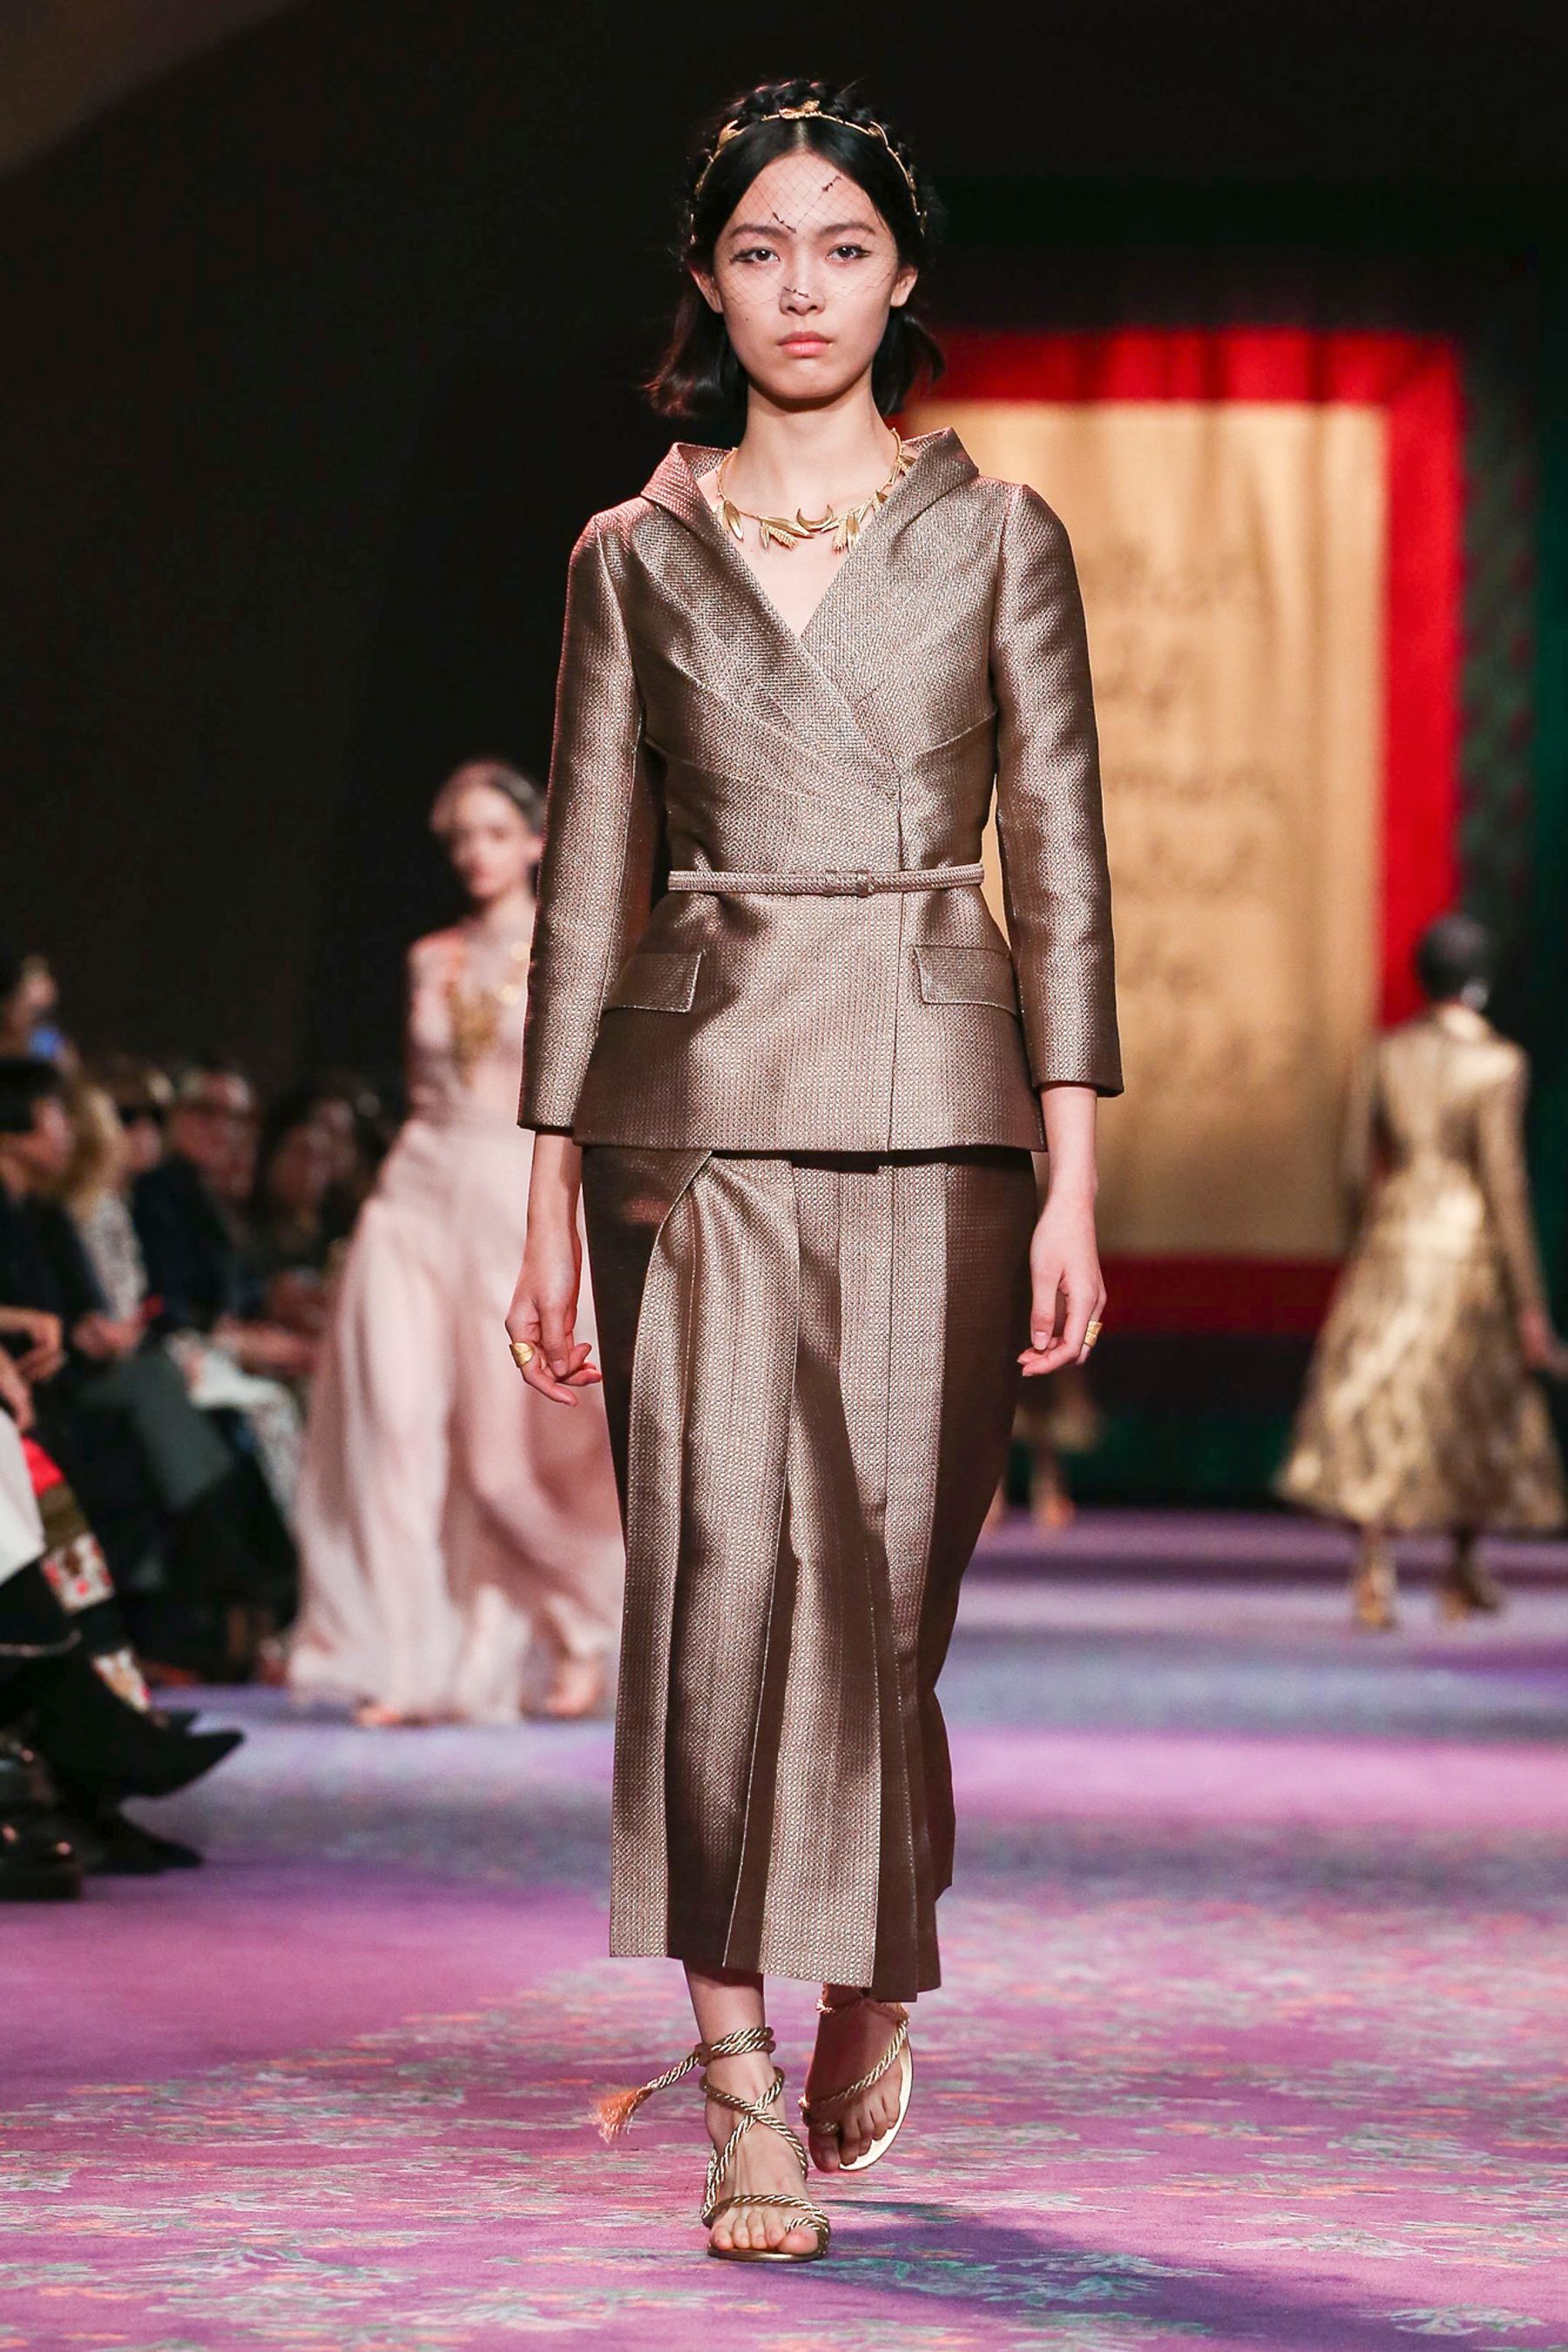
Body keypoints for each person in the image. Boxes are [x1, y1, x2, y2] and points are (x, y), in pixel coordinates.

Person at [505, 78, 1119, 2263]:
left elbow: (1061, 867)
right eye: (760, 249)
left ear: (902, 274)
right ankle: (738, 2081)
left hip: (943, 1099)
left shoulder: (1002, 535)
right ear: (707, 277)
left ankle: (874, 1956)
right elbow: (584, 886)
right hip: (691, 1113)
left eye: (841, 248)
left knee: (885, 1589)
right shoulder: (630, 553)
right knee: (716, 1579)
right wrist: (537, 1192)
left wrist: (1074, 1176)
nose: (800, 288)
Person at [289, 760, 625, 1728]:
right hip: (413, 1201)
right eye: (462, 838)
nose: (477, 853)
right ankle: (411, 1662)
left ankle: (580, 1617)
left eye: (494, 833)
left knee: (502, 1460)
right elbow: (424, 1090)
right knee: (395, 1425)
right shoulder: (427, 956)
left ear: (536, 841)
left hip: (513, 1204)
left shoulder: (574, 951)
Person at [1280, 914, 1566, 1627]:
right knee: (1474, 1402)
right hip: (1468, 1252)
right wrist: (1530, 1301)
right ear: (1480, 982)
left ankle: (1373, 1566)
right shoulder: (1499, 1063)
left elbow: (1353, 1167)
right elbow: (1504, 1182)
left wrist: (1364, 1239)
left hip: (1392, 1239)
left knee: (1381, 1403)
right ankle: (1462, 1564)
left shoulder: (1385, 1055)